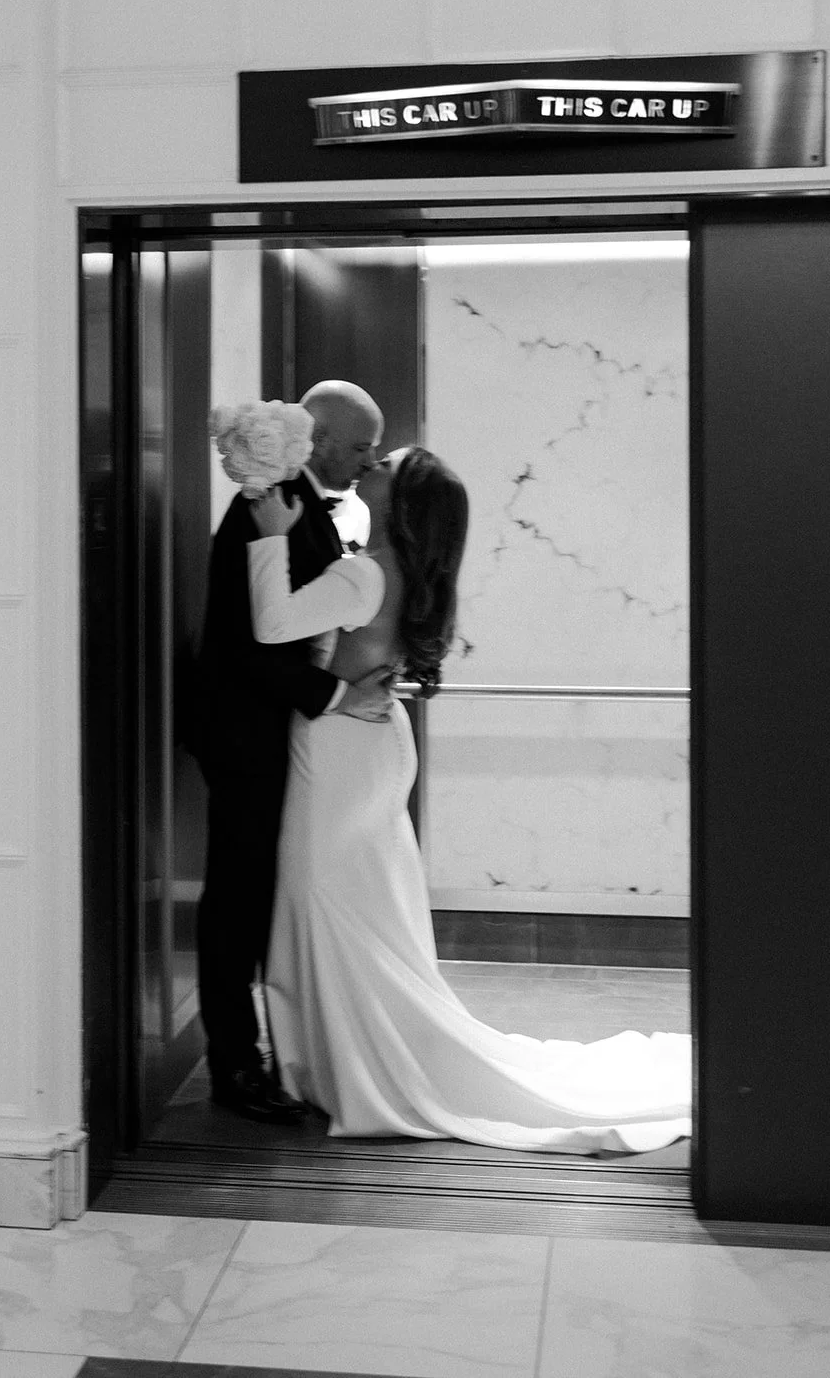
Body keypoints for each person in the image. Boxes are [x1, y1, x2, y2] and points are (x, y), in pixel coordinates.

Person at [247, 446, 692, 1155]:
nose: (373, 463)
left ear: (402, 499)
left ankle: (346, 1067)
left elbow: (273, 625)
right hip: (371, 740)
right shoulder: (396, 571)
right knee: (359, 907)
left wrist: (270, 536)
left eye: (386, 462)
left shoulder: (365, 572)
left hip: (338, 748)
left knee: (320, 900)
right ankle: (334, 1061)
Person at [195, 380, 393, 1123]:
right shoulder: (266, 506)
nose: (368, 461)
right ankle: (235, 1068)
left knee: (255, 896)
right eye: (362, 446)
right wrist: (340, 698)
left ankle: (261, 1054)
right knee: (235, 901)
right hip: (243, 735)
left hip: (266, 732)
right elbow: (256, 646)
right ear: (324, 436)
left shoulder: (303, 506)